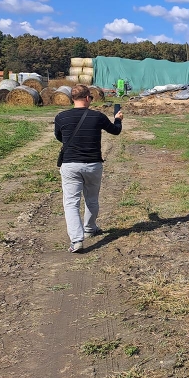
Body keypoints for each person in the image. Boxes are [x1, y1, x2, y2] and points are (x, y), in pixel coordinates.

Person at [54, 84, 123, 253]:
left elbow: (59, 137)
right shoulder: (97, 116)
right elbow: (115, 131)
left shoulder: (61, 117)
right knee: (91, 199)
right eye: (91, 98)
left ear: (72, 99)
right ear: (87, 98)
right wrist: (118, 118)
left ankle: (77, 240)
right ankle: (90, 228)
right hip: (93, 164)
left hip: (70, 165)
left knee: (71, 203)